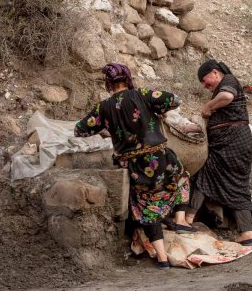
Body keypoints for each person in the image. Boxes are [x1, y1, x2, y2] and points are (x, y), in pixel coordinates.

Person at [74, 63, 196, 269]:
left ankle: (162, 258)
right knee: (182, 178)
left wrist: (106, 129)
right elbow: (175, 100)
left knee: (146, 205)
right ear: (128, 79)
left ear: (108, 84)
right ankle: (181, 219)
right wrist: (158, 110)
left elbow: (80, 130)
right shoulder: (142, 94)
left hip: (134, 165)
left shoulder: (103, 107)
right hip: (160, 158)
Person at [185, 59, 252, 245]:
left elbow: (227, 97)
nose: (204, 85)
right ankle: (247, 233)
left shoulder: (229, 81)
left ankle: (186, 220)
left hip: (231, 145)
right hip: (230, 146)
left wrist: (208, 107)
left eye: (204, 80)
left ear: (215, 72)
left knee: (204, 175)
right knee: (235, 185)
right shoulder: (222, 87)